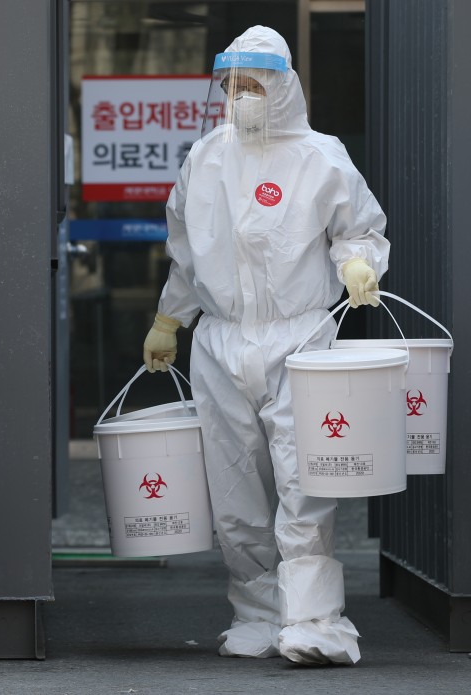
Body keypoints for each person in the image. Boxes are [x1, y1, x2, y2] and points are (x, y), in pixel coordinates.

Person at [142, 25, 388, 665]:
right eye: (231, 86)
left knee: (303, 481)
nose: (239, 96)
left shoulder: (320, 157)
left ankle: (315, 622)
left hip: (299, 338)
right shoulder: (207, 159)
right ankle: (255, 616)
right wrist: (171, 320)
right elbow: (186, 254)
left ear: (281, 88)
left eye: (251, 85)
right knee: (235, 491)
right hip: (220, 342)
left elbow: (356, 227)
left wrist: (359, 264)